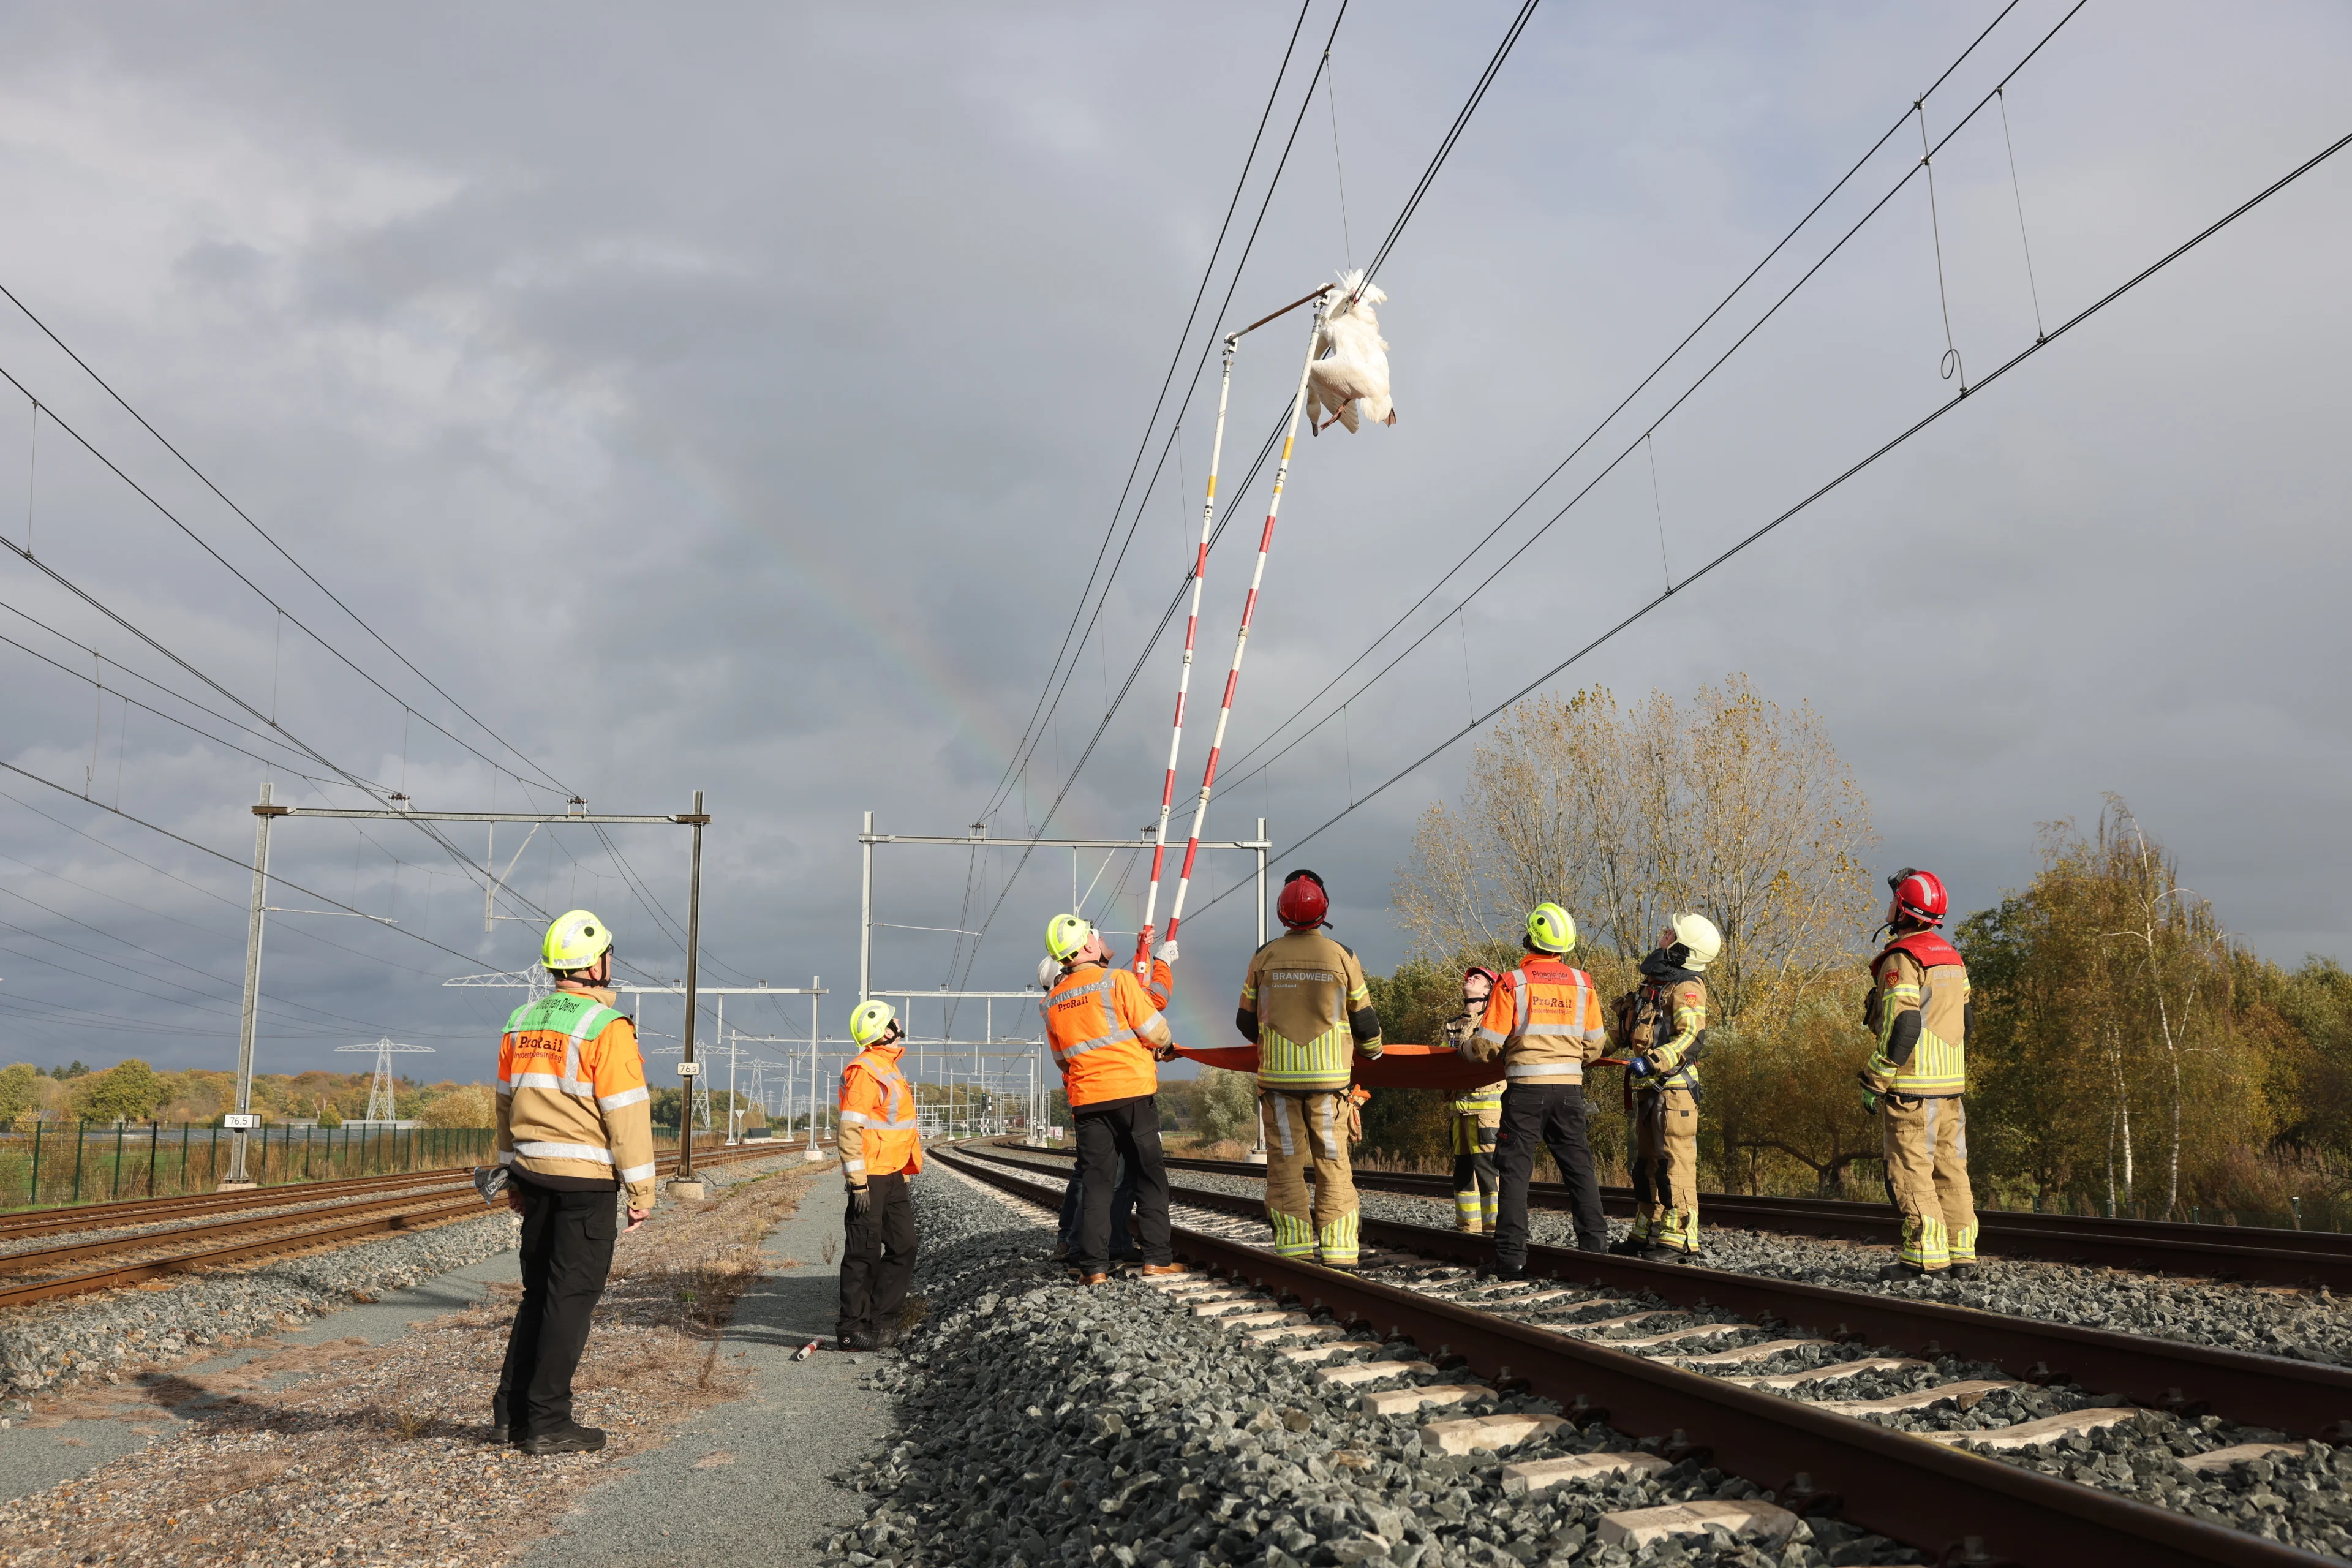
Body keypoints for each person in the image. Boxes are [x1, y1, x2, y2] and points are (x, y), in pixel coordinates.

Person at [492, 909, 655, 1455]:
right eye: (608, 953)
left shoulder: (521, 1021)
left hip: (532, 1174)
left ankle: (511, 1414)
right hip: (585, 1183)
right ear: (595, 964)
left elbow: (504, 1104)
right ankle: (548, 1421)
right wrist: (642, 1192)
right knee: (570, 1299)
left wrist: (510, 1173)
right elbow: (626, 1114)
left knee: (538, 1294)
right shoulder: (606, 1027)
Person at [1235, 869, 1384, 1268]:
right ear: (1324, 912)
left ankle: (1294, 1252)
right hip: (1330, 1086)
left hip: (1279, 1085)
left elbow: (1245, 1022)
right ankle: (1340, 1253)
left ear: (1281, 914)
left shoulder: (1264, 956)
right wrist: (1373, 1053)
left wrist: (1273, 1040)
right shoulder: (1343, 955)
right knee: (1333, 1164)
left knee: (1285, 1165)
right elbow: (1365, 1022)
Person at [1465, 903, 1610, 1276]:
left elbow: (1487, 1047)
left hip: (1526, 1091)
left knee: (1515, 1172)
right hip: (1570, 1090)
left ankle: (1511, 1259)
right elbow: (1596, 1045)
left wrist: (1464, 1049)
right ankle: (1596, 1251)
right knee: (1579, 1168)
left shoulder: (1513, 983)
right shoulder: (1583, 984)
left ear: (1530, 938)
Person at [1042, 914, 1185, 1285]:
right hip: (1132, 1093)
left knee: (1097, 1184)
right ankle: (1157, 1259)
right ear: (1088, 945)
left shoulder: (1052, 1001)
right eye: (1094, 936)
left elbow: (1062, 1060)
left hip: (1088, 1102)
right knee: (1149, 1176)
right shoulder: (1117, 980)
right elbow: (1155, 1030)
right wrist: (1165, 1046)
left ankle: (1094, 1269)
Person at [1861, 867, 1978, 1281]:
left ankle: (1925, 1258)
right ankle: (1961, 1255)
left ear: (1904, 910)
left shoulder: (1903, 958)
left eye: (1894, 901)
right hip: (1951, 1089)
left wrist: (1876, 1079)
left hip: (1912, 1088)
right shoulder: (1952, 957)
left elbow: (1903, 1024)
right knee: (1951, 1169)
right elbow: (1966, 1020)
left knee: (1911, 1171)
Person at [1610, 914, 1722, 1262]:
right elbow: (1623, 1033)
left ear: (1683, 949)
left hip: (1675, 1092)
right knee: (1646, 1166)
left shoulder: (1688, 987)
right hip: (1650, 1092)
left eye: (1672, 932)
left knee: (1675, 1165)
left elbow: (1691, 1037)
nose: (1664, 933)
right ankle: (1648, 1231)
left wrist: (1653, 1061)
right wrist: (1577, 1052)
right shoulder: (1655, 984)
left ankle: (1680, 1239)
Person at [837, 998, 922, 1348]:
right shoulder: (865, 1071)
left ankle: (881, 1321)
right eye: (892, 1020)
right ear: (885, 1032)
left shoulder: (887, 1066)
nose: (898, 1022)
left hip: (893, 1174)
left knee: (904, 1245)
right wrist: (858, 1183)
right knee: (864, 1253)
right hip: (870, 1177)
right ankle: (852, 1330)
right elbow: (849, 1129)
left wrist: (903, 1169)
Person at [1443, 966, 1504, 1234]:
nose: (1469, 979)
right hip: (1460, 1112)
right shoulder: (1452, 1025)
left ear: (1489, 990)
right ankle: (1467, 1227)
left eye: (1477, 978)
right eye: (1469, 976)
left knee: (1489, 1171)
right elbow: (1441, 1064)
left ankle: (1495, 1228)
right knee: (1464, 1171)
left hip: (1487, 1113)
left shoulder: (1494, 1023)